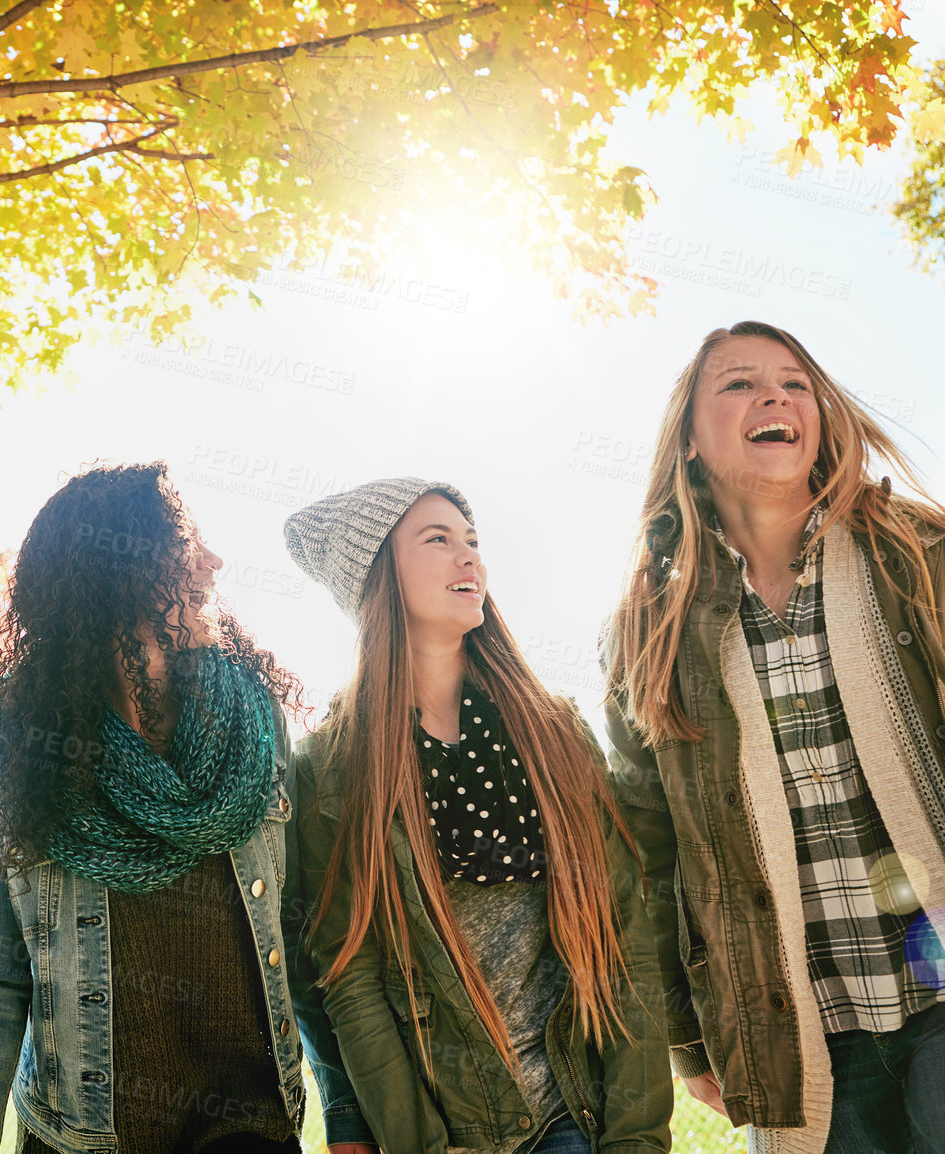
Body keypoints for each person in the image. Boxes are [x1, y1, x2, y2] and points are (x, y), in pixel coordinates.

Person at [603, 320, 945, 1153]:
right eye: (737, 383)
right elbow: (646, 854)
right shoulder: (649, 630)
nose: (773, 395)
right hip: (799, 1030)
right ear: (690, 443)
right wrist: (682, 1030)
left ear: (821, 418)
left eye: (794, 382)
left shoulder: (919, 558)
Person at [0, 462, 311, 1154]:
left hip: (254, 1133)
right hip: (84, 1137)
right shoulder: (14, 758)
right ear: (116, 563)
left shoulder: (256, 722)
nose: (214, 562)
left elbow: (305, 927)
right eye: (187, 542)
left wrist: (347, 1105)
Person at [280, 476, 673, 1154]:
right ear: (379, 575)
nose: (471, 559)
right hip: (446, 1131)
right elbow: (349, 978)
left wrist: (637, 1139)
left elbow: (624, 938)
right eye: (437, 540)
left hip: (574, 1119)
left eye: (473, 542)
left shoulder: (554, 732)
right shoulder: (332, 768)